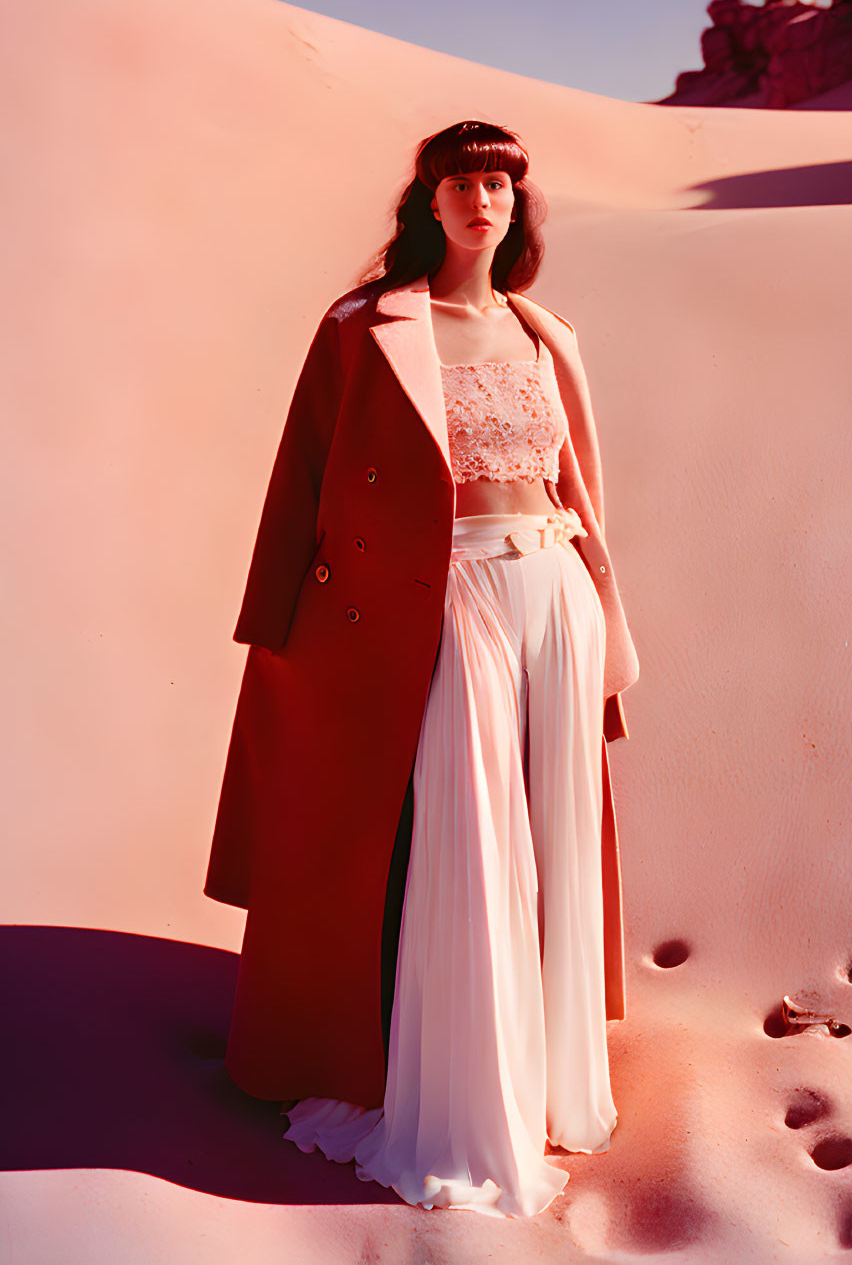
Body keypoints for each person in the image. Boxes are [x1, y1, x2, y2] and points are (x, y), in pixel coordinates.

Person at [204, 120, 640, 1219]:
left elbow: (583, 489)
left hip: (556, 593)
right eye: (462, 182)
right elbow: (299, 477)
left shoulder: (547, 333)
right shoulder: (365, 327)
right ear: (428, 203)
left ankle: (547, 1083)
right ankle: (463, 1109)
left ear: (516, 204)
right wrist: (279, 630)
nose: (482, 198)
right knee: (472, 840)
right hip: (447, 601)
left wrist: (602, 603)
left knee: (553, 834)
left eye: (499, 181)